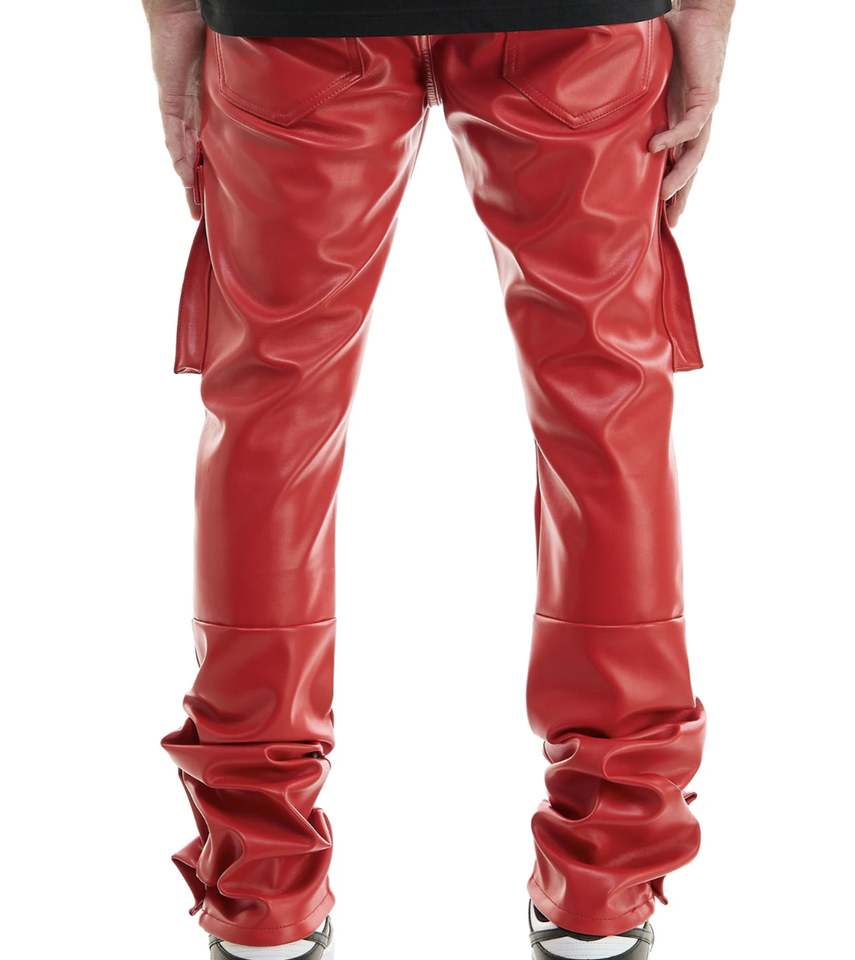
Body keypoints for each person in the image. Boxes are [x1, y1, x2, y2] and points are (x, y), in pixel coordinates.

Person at [142, 1, 735, 957]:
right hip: (576, 16)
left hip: (292, 17)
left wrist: (175, 21)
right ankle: (606, 872)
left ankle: (261, 880)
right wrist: (703, 20)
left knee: (272, 414)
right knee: (605, 404)